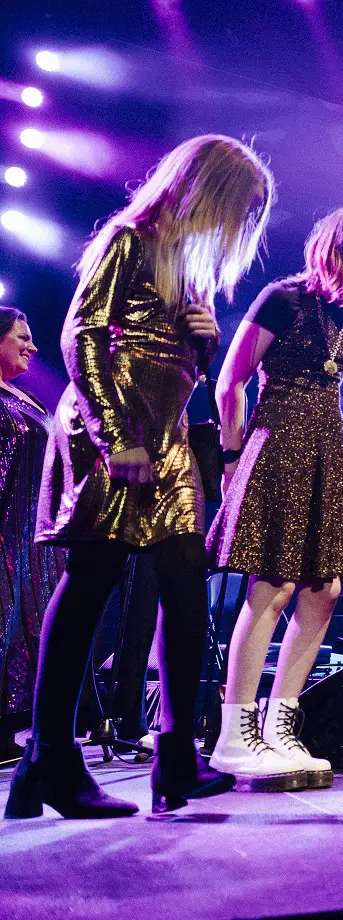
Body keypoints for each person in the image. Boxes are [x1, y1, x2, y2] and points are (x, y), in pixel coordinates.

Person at [9, 135, 271, 818]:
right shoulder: (130, 241)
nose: (237, 224)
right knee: (93, 577)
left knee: (185, 580)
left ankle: (175, 755)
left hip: (168, 438)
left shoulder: (188, 269)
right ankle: (51, 755)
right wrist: (114, 434)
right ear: (206, 192)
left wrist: (205, 340)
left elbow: (174, 358)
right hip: (113, 428)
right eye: (237, 207)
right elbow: (81, 336)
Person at [206, 206, 343, 789]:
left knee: (325, 590)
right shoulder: (282, 300)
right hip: (277, 441)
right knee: (274, 584)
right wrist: (232, 457)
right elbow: (231, 381)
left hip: (325, 449)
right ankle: (234, 735)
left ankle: (279, 727)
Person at [0, 308, 65, 758]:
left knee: (31, 631)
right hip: (5, 535)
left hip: (33, 540)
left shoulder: (28, 399)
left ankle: (14, 728)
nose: (33, 347)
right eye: (22, 337)